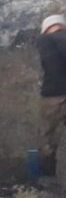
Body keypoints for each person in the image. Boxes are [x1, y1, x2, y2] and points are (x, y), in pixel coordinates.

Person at [37, 14, 66, 178]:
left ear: (45, 29)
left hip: (52, 99)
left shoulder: (43, 41)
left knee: (46, 142)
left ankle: (44, 181)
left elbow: (48, 66)